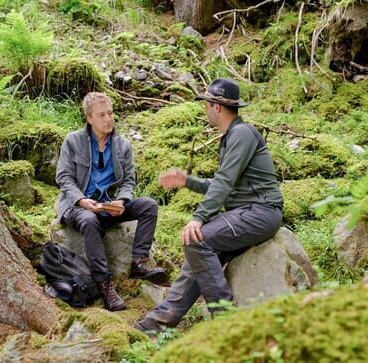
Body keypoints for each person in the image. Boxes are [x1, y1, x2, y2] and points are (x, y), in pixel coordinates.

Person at [134, 79, 283, 332]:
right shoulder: (232, 136)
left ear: (217, 107)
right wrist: (187, 181)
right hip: (244, 212)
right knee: (196, 257)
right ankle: (154, 325)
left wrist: (199, 217)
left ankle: (226, 323)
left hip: (261, 212)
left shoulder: (241, 134)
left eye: (207, 104)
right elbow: (224, 182)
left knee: (196, 239)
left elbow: (224, 182)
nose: (205, 109)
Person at [55, 92, 168, 311]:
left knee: (149, 206)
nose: (108, 119)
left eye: (110, 113)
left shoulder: (122, 145)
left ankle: (138, 263)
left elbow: (128, 180)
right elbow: (64, 178)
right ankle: (105, 284)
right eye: (101, 115)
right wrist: (81, 200)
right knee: (89, 221)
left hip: (108, 205)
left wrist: (122, 201)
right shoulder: (73, 141)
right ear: (89, 118)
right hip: (79, 207)